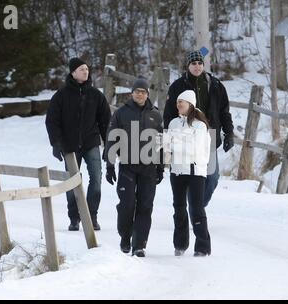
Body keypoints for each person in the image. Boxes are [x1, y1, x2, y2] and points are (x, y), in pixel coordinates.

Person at [46, 57, 111, 231]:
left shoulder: (96, 95)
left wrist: (109, 145)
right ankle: (74, 217)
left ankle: (91, 216)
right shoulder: (61, 95)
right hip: (70, 146)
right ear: (73, 72)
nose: (86, 71)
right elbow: (52, 121)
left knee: (96, 180)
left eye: (87, 69)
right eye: (82, 69)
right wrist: (56, 143)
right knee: (72, 183)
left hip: (91, 144)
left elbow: (105, 121)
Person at [163, 50, 234, 209]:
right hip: (185, 136)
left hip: (208, 136)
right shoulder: (178, 86)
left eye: (200, 63)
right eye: (193, 63)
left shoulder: (215, 85)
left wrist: (229, 133)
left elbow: (224, 112)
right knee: (188, 177)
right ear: (188, 66)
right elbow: (168, 114)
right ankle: (195, 211)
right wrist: (169, 139)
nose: (197, 66)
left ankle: (196, 208)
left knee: (212, 178)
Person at [104, 78, 164, 257]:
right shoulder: (121, 113)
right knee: (127, 205)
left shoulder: (155, 115)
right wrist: (109, 165)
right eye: (137, 91)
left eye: (143, 92)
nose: (140, 94)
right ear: (132, 93)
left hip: (149, 168)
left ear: (147, 94)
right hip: (127, 167)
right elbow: (111, 139)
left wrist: (160, 167)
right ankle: (125, 236)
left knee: (145, 206)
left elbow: (161, 143)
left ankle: (139, 245)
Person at [164, 90, 211, 257]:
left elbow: (193, 150)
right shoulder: (173, 123)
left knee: (196, 208)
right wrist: (167, 149)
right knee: (179, 208)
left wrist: (173, 143)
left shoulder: (200, 125)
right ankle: (180, 244)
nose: (178, 105)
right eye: (177, 102)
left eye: (181, 102)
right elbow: (166, 145)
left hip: (195, 172)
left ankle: (202, 247)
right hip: (177, 172)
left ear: (190, 104)